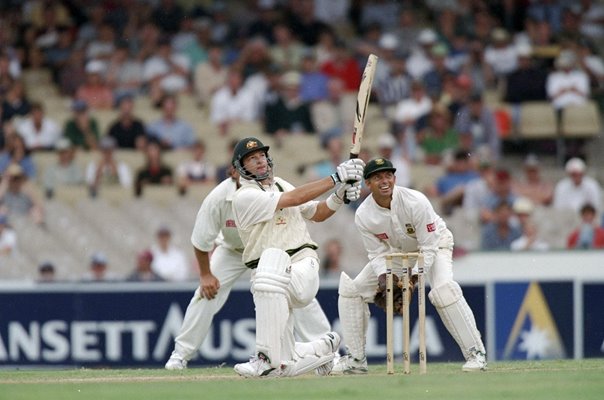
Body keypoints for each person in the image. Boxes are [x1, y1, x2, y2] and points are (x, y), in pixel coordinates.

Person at [165, 165, 337, 370]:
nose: (251, 169)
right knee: (205, 295)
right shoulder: (219, 197)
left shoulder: (273, 186)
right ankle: (180, 355)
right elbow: (201, 240)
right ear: (233, 172)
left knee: (295, 290)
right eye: (244, 164)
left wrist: (339, 194)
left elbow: (308, 207)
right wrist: (205, 275)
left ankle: (329, 353)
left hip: (268, 251)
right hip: (232, 251)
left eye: (256, 160)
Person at [333, 157, 487, 374]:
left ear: (395, 178)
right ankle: (356, 360)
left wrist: (413, 278)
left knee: (443, 292)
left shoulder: (416, 201)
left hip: (436, 244)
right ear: (368, 183)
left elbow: (429, 247)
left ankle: (476, 353)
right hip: (398, 253)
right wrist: (383, 277)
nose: (384, 181)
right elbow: (377, 254)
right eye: (378, 177)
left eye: (388, 175)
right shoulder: (364, 215)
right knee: (351, 291)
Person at [230, 136, 364, 378]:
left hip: (301, 264)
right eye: (251, 159)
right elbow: (294, 199)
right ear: (241, 167)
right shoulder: (244, 196)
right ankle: (322, 348)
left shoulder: (282, 184)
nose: (259, 161)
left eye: (261, 156)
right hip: (272, 279)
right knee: (284, 366)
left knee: (266, 275)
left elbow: (318, 213)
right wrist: (336, 179)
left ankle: (264, 359)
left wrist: (340, 197)